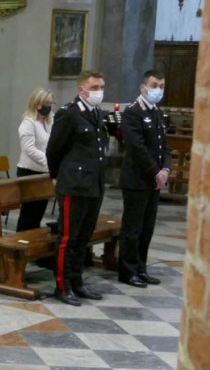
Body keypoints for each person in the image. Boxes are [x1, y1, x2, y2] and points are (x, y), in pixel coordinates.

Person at [46, 70, 109, 305]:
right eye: (94, 88)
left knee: (83, 237)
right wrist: (55, 176)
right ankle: (62, 286)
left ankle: (77, 281)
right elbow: (54, 149)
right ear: (81, 90)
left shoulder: (96, 113)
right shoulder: (69, 113)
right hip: (74, 184)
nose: (99, 92)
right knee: (68, 238)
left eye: (101, 87)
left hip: (94, 184)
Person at [118, 70, 170, 288]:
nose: (158, 89)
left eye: (161, 86)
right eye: (154, 85)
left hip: (154, 181)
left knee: (147, 228)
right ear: (143, 87)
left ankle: (141, 267)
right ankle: (127, 270)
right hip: (137, 179)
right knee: (133, 228)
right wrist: (156, 172)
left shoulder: (157, 112)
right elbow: (137, 147)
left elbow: (163, 145)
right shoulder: (133, 112)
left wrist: (165, 168)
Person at [15, 88, 54, 231]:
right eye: (47, 103)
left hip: (44, 173)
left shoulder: (50, 121)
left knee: (38, 214)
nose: (50, 106)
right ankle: (21, 240)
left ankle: (33, 241)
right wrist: (49, 161)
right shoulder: (28, 123)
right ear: (37, 104)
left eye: (51, 103)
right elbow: (29, 149)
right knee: (28, 214)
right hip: (29, 172)